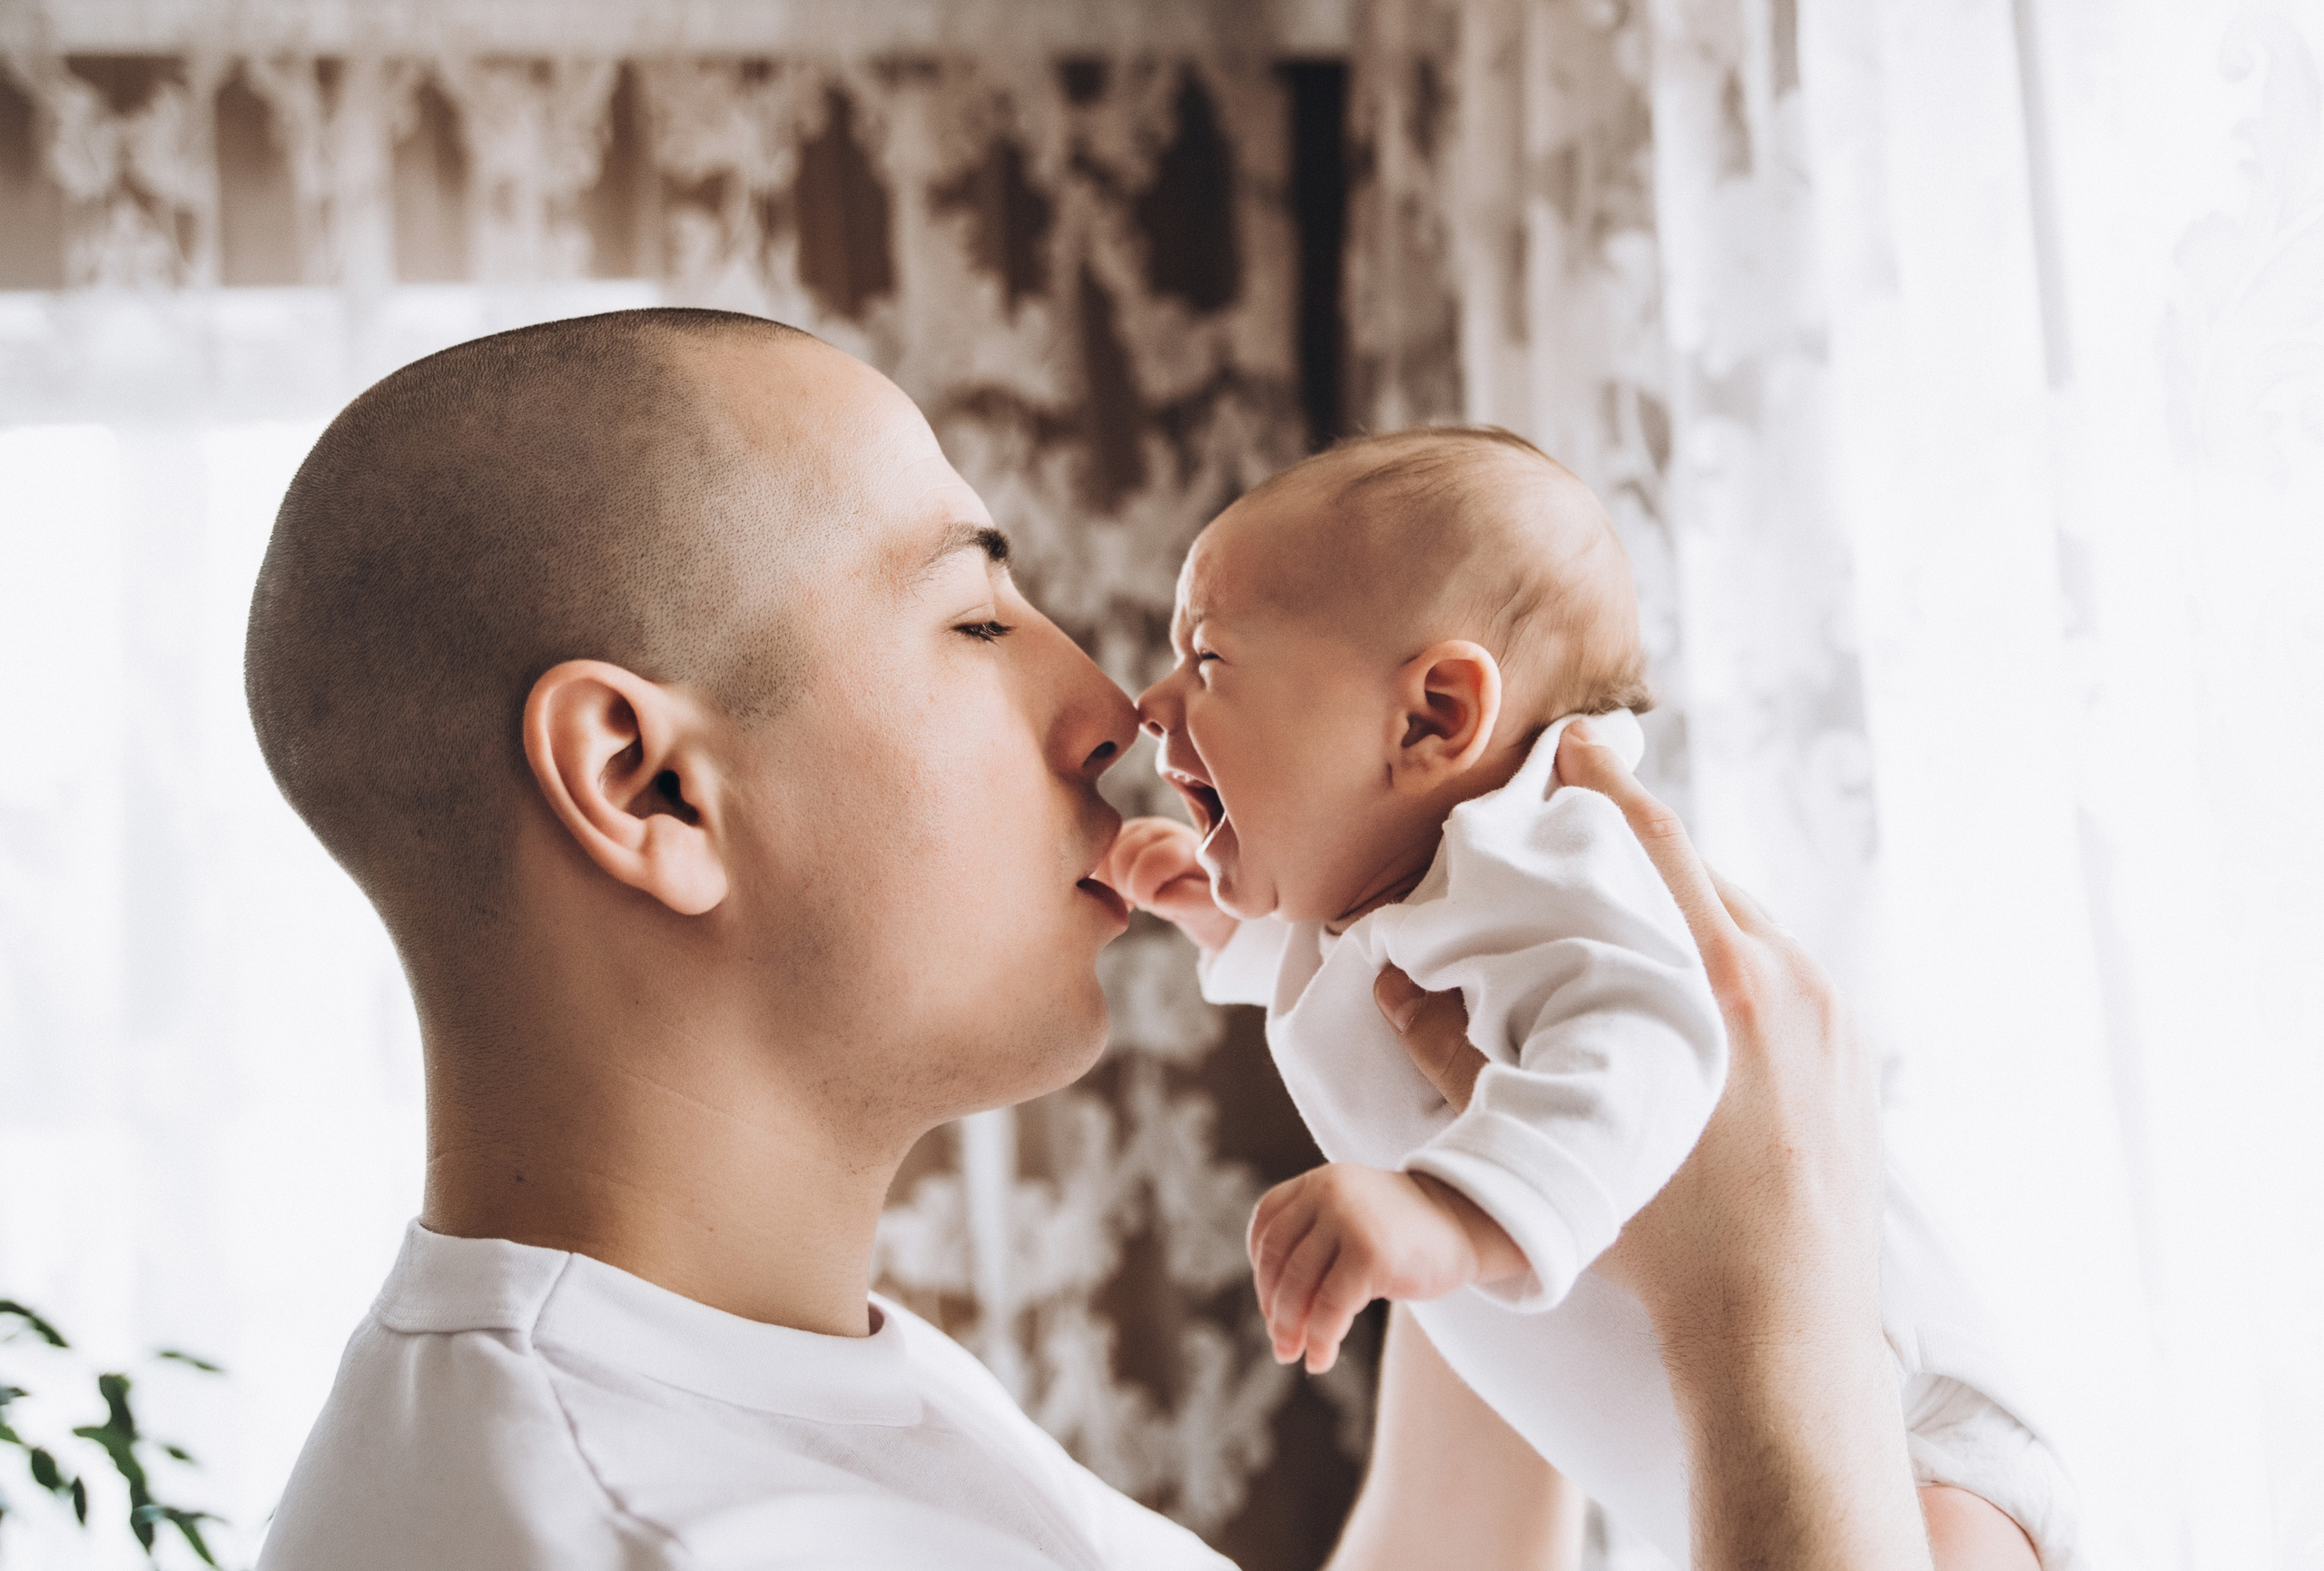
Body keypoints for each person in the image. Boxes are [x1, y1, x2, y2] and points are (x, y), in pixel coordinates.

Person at [241, 307, 1940, 1569]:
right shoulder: (684, 1531)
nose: (1114, 710)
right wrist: (1773, 1329)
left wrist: (1474, 1160)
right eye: (976, 615)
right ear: (651, 785)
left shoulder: (725, 1392)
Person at [1108, 429, 2076, 1568]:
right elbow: (1354, 986)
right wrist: (1229, 917)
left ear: (1431, 717)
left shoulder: (1545, 854)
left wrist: (1454, 1208)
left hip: (1916, 1438)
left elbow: (1643, 1035)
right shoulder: (1397, 889)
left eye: (1208, 659)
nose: (1150, 701)